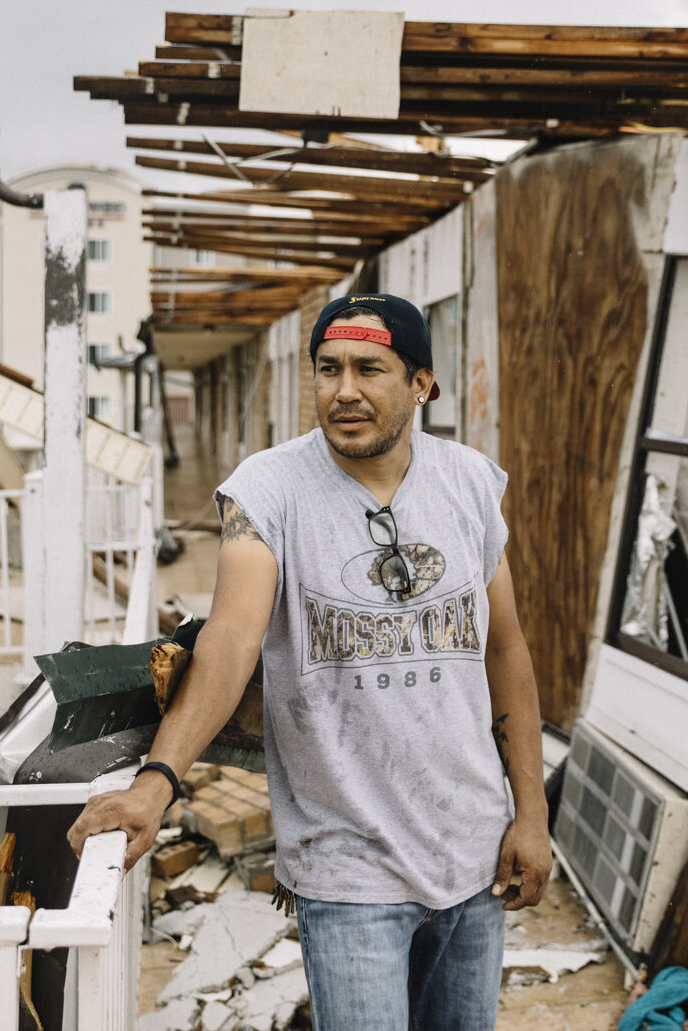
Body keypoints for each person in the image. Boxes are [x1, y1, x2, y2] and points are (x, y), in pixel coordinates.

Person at [68, 292, 551, 1030]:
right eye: (328, 370)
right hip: (347, 862)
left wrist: (533, 812)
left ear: (421, 384)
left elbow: (505, 648)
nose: (344, 390)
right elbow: (230, 639)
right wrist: (155, 787)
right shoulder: (269, 490)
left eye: (369, 369)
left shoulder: (471, 485)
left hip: (475, 852)